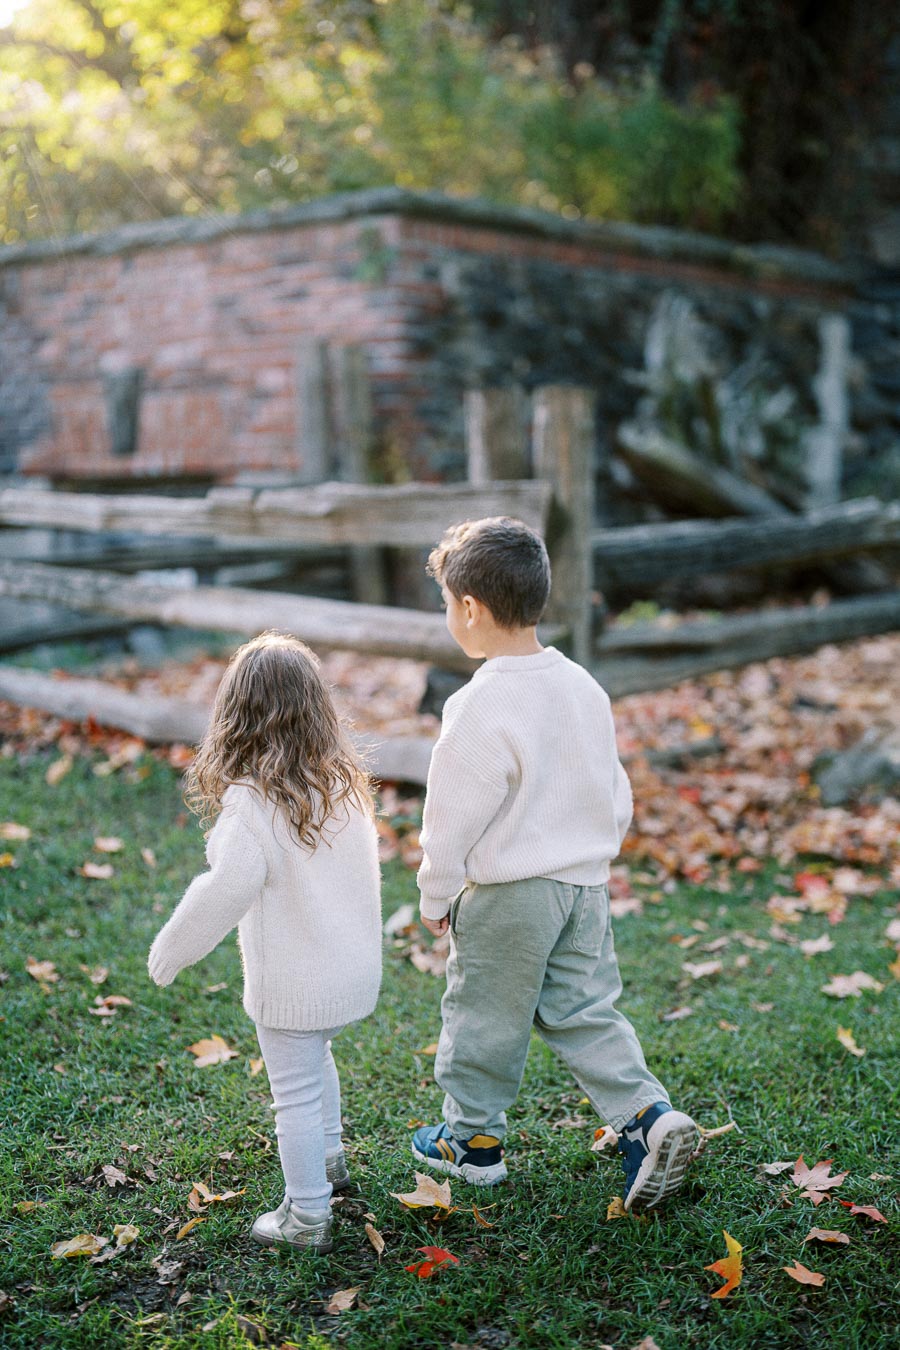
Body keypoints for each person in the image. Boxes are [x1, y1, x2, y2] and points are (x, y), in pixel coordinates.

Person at [411, 517, 698, 1211]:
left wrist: (435, 896)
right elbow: (613, 790)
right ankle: (649, 1117)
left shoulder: (477, 705)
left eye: (449, 605)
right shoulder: (582, 687)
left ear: (471, 610)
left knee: (484, 1014)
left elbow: (449, 821)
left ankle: (471, 1142)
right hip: (584, 885)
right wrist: (595, 851)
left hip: (510, 893)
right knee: (583, 1010)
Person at [148, 632, 382, 1251]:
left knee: (295, 1092)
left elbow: (225, 887)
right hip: (351, 973)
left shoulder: (253, 806)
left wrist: (174, 946)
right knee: (317, 1059)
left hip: (295, 985)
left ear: (235, 717)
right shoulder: (345, 787)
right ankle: (330, 1162)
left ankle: (306, 1216)